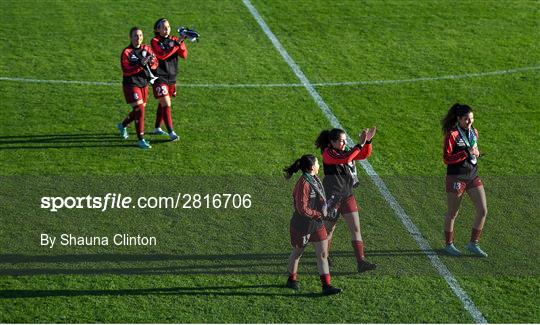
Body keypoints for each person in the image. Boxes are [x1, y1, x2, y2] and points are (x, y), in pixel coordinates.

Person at [315, 127, 377, 272]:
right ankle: (324, 256)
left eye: (345, 140)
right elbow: (346, 158)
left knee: (356, 229)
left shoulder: (344, 150)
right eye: (341, 141)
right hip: (332, 198)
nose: (344, 143)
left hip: (347, 196)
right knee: (328, 230)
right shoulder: (328, 153)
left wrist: (367, 142)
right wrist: (360, 144)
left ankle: (361, 262)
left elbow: (362, 155)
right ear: (332, 142)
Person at [284, 154, 342, 295]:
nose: (319, 165)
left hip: (317, 224)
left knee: (322, 254)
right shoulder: (303, 184)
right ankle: (291, 279)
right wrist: (319, 214)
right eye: (317, 163)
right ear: (311, 167)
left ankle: (326, 285)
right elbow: (301, 208)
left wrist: (328, 208)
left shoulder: (315, 179)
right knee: (297, 253)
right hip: (302, 226)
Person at [442, 103, 488, 257]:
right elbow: (447, 158)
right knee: (453, 212)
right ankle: (449, 244)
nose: (470, 121)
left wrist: (477, 153)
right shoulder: (452, 134)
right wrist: (465, 152)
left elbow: (472, 151)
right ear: (459, 119)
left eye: (472, 118)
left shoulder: (474, 132)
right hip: (456, 177)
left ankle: (473, 243)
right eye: (467, 119)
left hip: (472, 176)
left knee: (483, 210)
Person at [117, 27, 158, 149]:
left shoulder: (147, 49)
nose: (138, 38)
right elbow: (126, 70)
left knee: (138, 110)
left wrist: (151, 62)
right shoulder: (127, 52)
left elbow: (155, 63)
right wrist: (141, 64)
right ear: (130, 37)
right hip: (131, 84)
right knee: (140, 110)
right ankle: (141, 139)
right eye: (135, 35)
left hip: (144, 83)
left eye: (140, 35)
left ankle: (122, 125)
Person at [149, 18, 188, 141]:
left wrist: (181, 42)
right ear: (157, 29)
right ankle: (171, 133)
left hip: (172, 77)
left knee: (163, 103)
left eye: (168, 27)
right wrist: (177, 44)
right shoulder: (154, 41)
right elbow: (162, 55)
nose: (167, 29)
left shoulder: (175, 40)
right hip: (159, 77)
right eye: (164, 27)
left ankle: (157, 128)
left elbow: (184, 55)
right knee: (166, 103)